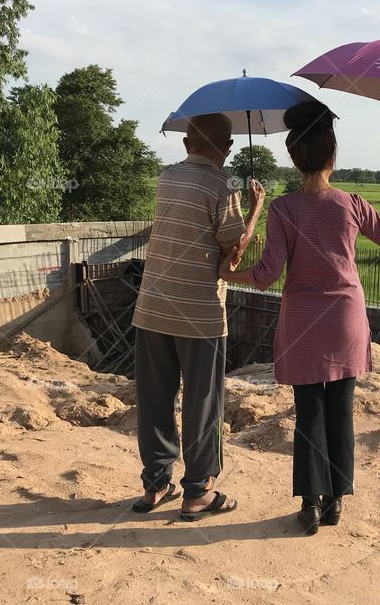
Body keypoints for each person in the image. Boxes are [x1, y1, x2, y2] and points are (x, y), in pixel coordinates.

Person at [219, 100, 380, 535]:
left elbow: (266, 275)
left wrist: (227, 273)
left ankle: (310, 503)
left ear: (294, 158)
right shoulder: (352, 204)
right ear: (332, 157)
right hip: (345, 319)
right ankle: (336, 500)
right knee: (341, 408)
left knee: (309, 411)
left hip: (302, 322)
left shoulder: (283, 209)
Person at [131, 112, 265, 521]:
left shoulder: (167, 177)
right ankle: (199, 492)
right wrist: (255, 210)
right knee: (202, 403)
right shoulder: (224, 185)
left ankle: (155, 485)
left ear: (187, 144)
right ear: (227, 148)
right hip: (199, 314)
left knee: (154, 399)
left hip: (152, 307)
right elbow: (232, 252)